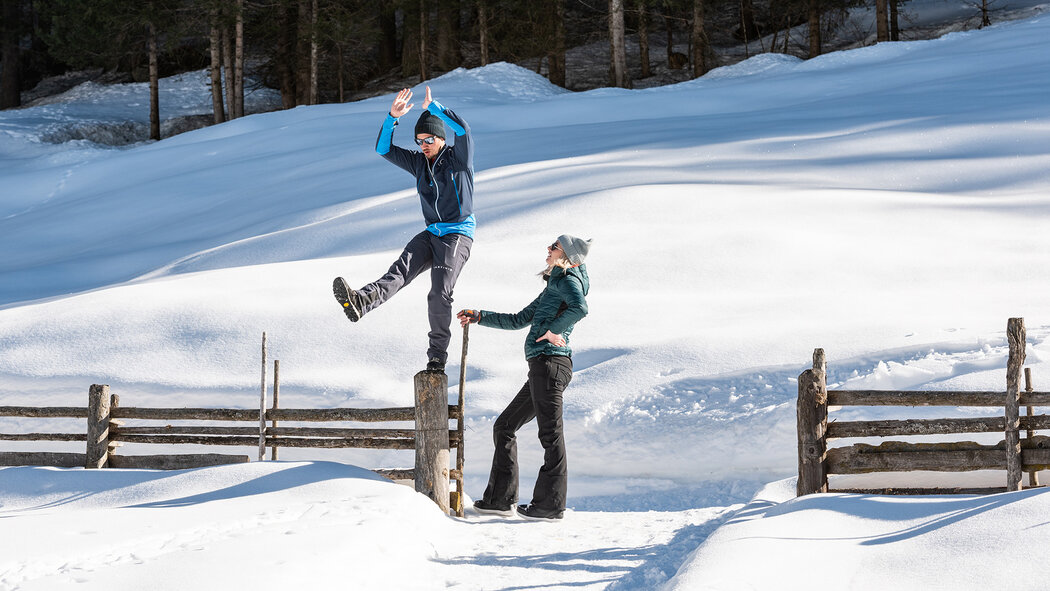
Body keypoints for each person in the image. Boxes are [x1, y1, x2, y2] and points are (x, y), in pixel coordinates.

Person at [333, 85, 475, 373]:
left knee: (439, 294)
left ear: (441, 138)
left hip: (457, 234)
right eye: (419, 139)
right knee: (399, 272)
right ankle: (362, 301)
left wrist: (434, 109)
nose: (423, 144)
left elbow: (464, 130)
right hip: (431, 233)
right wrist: (391, 118)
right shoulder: (418, 163)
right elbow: (382, 148)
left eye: (429, 139)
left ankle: (437, 356)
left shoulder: (458, 159)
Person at [458, 235, 592, 521]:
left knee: (550, 436)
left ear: (566, 255)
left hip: (550, 364)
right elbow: (519, 319)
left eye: (554, 246)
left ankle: (550, 506)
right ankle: (500, 500)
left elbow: (580, 308)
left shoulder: (568, 280)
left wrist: (555, 330)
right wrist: (481, 316)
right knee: (504, 426)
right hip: (542, 367)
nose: (548, 249)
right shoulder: (554, 285)